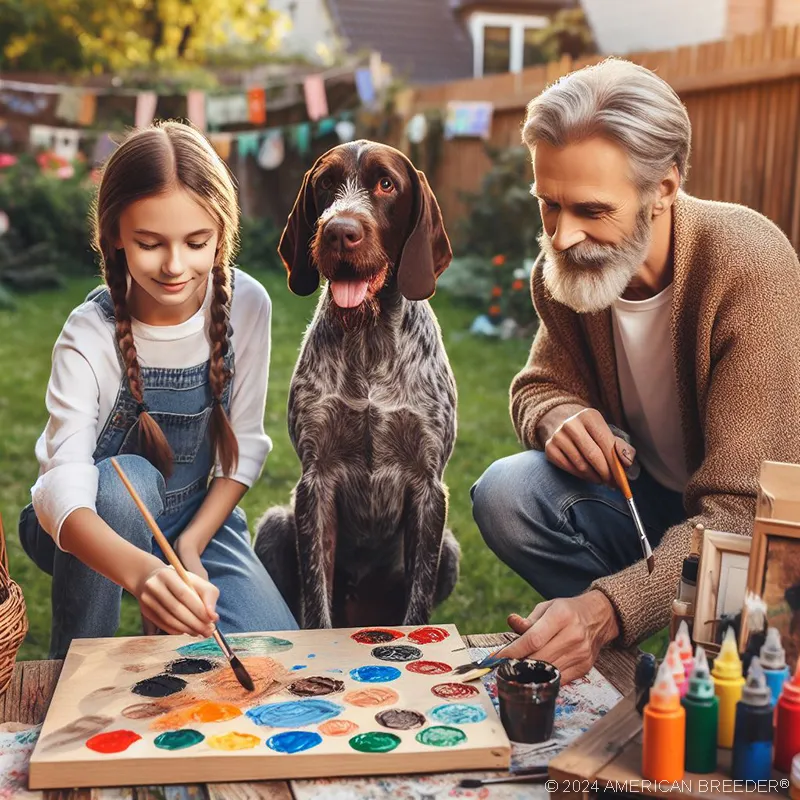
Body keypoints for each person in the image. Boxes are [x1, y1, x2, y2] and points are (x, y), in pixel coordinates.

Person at [471, 58, 800, 684]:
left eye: (592, 210)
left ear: (665, 187)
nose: (563, 236)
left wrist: (606, 609)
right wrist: (557, 415)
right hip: (651, 501)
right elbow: (540, 384)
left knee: (741, 690)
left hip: (764, 534)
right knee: (507, 495)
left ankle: (637, 629)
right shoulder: (567, 272)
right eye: (549, 206)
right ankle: (631, 655)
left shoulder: (749, 268)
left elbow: (741, 514)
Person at [19, 121, 297, 659]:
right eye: (149, 243)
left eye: (197, 243)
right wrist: (146, 574)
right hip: (83, 526)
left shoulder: (247, 304)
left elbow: (245, 448)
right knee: (128, 481)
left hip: (196, 518)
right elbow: (61, 495)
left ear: (223, 233)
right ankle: (75, 666)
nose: (174, 266)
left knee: (273, 656)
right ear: (116, 236)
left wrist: (187, 550)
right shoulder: (88, 333)